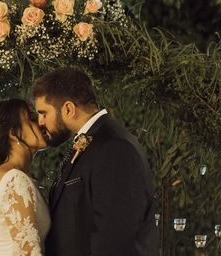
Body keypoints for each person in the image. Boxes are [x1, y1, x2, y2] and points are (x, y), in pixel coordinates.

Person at [32, 67, 159, 256]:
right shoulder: (93, 141)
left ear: (68, 109)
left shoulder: (114, 148)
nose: (40, 122)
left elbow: (114, 240)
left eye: (44, 113)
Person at [0, 98, 51, 255]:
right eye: (31, 118)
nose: (40, 122)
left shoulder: (8, 175)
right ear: (13, 134)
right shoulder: (14, 179)